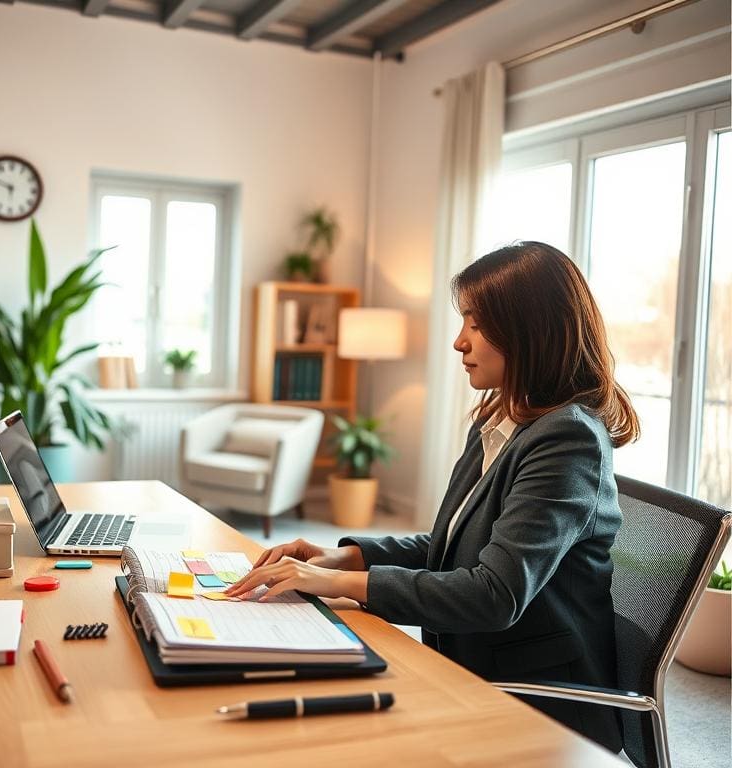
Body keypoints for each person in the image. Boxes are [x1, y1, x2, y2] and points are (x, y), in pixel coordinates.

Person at [225, 241, 639, 752]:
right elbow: (451, 546)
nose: (458, 342)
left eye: (476, 323)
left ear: (530, 331)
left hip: (537, 702)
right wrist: (343, 555)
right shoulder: (500, 420)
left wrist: (339, 582)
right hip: (471, 664)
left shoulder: (567, 441)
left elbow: (494, 595)